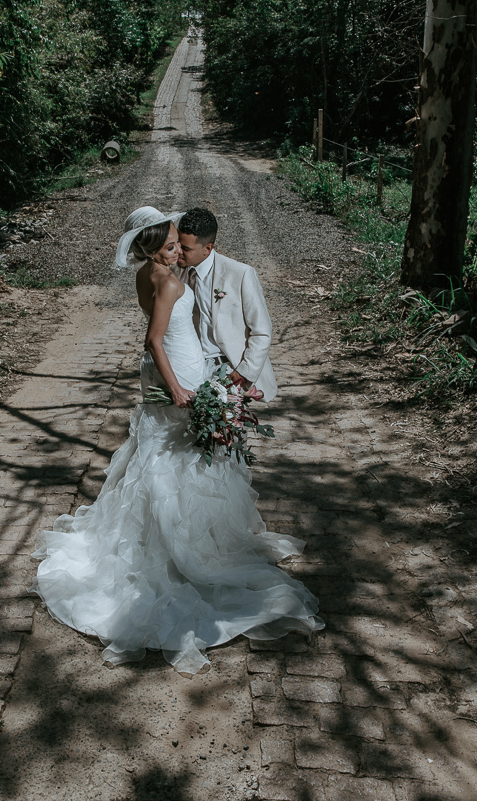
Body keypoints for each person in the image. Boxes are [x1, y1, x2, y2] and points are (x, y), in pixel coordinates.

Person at [30, 206, 323, 675]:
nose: (179, 251)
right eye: (172, 244)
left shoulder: (206, 273)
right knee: (175, 460)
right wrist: (178, 387)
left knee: (185, 459)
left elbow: (256, 331)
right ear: (157, 247)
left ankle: (198, 533)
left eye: (182, 245)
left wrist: (236, 380)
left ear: (208, 245)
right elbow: (155, 338)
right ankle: (179, 548)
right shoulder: (166, 278)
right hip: (180, 374)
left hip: (205, 370)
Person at [175, 207, 278, 402]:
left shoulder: (240, 274)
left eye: (186, 249)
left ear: (208, 249)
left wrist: (243, 373)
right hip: (190, 369)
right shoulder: (176, 273)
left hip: (231, 369)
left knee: (230, 431)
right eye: (179, 245)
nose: (179, 252)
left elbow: (262, 331)